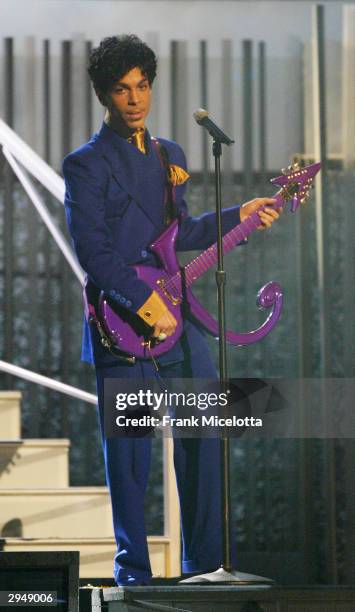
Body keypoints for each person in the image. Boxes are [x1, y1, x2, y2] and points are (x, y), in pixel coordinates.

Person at [62, 34, 280, 586]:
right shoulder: (84, 165)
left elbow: (180, 234)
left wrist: (240, 216)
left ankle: (203, 567)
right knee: (130, 458)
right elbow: (94, 253)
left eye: (142, 86)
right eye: (121, 89)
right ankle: (132, 576)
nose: (134, 99)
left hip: (175, 319)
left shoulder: (171, 155)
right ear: (102, 95)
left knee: (205, 434)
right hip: (120, 321)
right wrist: (142, 302)